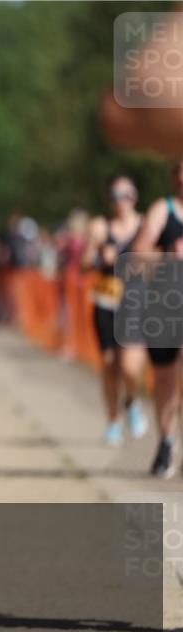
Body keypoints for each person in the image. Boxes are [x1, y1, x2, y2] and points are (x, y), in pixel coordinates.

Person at [80, 175, 149, 446]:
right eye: (113, 196)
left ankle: (131, 401)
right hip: (105, 300)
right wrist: (99, 258)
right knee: (109, 364)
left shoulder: (146, 225)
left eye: (124, 195)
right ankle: (113, 422)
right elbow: (83, 264)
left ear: (134, 197)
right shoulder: (100, 227)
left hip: (134, 301)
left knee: (129, 366)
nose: (119, 201)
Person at [132, 159, 183, 478]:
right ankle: (166, 441)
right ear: (174, 176)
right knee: (164, 378)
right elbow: (137, 254)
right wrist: (168, 254)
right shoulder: (162, 211)